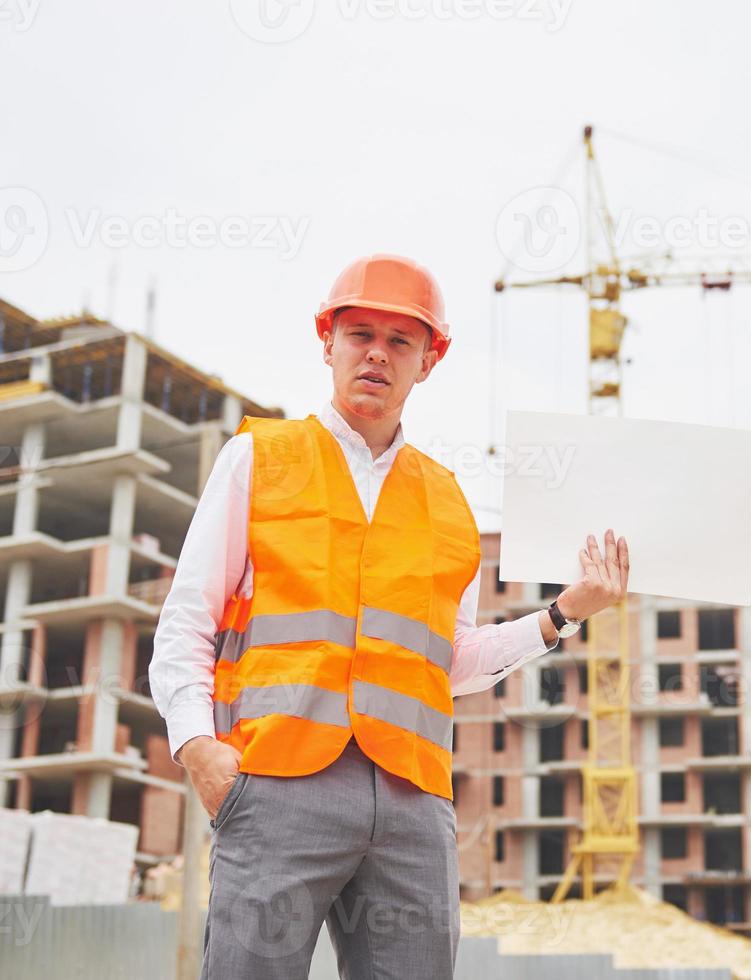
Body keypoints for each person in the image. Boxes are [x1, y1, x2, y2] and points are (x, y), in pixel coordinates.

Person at [149, 253, 630, 979]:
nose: (377, 352)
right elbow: (187, 618)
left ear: (428, 361)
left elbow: (451, 660)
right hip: (278, 779)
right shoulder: (260, 458)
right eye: (360, 333)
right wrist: (196, 749)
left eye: (400, 340)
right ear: (328, 344)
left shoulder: (445, 499)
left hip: (411, 798)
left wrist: (563, 613)